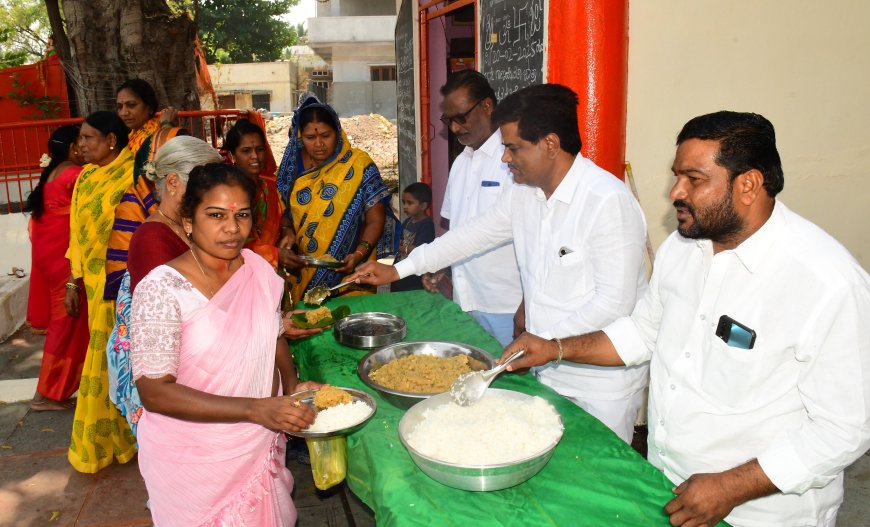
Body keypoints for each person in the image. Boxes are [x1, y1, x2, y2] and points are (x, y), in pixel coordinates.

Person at [502, 111, 870, 526]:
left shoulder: (828, 284)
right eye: (677, 175)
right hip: (668, 483)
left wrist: (730, 487)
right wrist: (555, 348)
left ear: (747, 184)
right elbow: (643, 334)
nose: (676, 191)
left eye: (694, 179)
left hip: (761, 511)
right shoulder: (683, 247)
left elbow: (844, 429)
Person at [350, 84, 649, 443]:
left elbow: (614, 303)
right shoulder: (525, 195)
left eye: (512, 147)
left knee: (600, 480)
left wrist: (549, 343)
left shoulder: (607, 201)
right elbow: (471, 236)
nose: (505, 158)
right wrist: (400, 269)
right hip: (547, 367)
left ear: (550, 145)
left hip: (600, 384)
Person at [130, 163, 320, 526]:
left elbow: (270, 335)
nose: (232, 228)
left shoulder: (257, 271)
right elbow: (153, 392)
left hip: (258, 448)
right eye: (216, 215)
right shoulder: (161, 290)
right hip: (195, 461)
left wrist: (292, 389)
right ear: (188, 220)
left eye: (242, 215)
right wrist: (256, 409)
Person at [107, 136, 222, 437]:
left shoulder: (186, 224)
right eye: (203, 184)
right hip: (172, 376)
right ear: (172, 182)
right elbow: (181, 315)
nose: (212, 193)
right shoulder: (152, 240)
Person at [426, 70, 523, 346]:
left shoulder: (513, 161)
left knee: (512, 386)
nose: (455, 128)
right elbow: (456, 229)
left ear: (487, 106)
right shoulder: (460, 164)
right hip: (465, 299)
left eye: (461, 117)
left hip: (506, 304)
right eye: (448, 120)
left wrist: (524, 309)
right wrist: (442, 265)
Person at [65, 111, 138, 472]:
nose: (81, 145)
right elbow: (75, 233)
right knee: (108, 355)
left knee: (119, 357)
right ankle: (119, 438)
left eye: (89, 137)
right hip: (93, 286)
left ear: (112, 140)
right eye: (80, 138)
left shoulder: (131, 176)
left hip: (122, 283)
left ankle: (117, 438)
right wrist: (71, 280)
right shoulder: (85, 177)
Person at [276, 95, 395, 302]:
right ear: (299, 138)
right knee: (310, 324)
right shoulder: (292, 170)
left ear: (338, 133)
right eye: (310, 138)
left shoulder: (359, 165)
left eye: (326, 135)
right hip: (305, 275)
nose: (319, 144)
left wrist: (358, 254)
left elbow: (376, 219)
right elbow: (284, 214)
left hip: (353, 277)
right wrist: (286, 236)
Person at [25, 125, 88, 411]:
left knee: (65, 323)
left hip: (49, 255)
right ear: (73, 148)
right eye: (83, 141)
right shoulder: (76, 174)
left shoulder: (53, 172)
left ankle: (52, 390)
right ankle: (47, 394)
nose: (87, 147)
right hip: (63, 257)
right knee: (66, 323)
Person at [105, 78, 184, 299]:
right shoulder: (130, 139)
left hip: (149, 217)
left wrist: (166, 128)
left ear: (149, 107)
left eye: (131, 105)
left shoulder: (155, 139)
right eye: (120, 106)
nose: (124, 112)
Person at [223, 116, 284, 268]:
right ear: (232, 155)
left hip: (272, 271)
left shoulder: (270, 186)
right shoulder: (226, 192)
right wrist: (274, 253)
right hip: (239, 269)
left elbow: (283, 216)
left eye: (260, 149)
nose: (255, 156)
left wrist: (287, 230)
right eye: (246, 151)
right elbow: (228, 242)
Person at [391, 182, 435, 292]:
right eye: (404, 202)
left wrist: (402, 247)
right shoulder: (407, 221)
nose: (405, 206)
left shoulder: (427, 225)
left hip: (414, 278)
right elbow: (397, 241)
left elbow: (419, 251)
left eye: (410, 203)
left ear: (423, 206)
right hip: (400, 273)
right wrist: (405, 247)